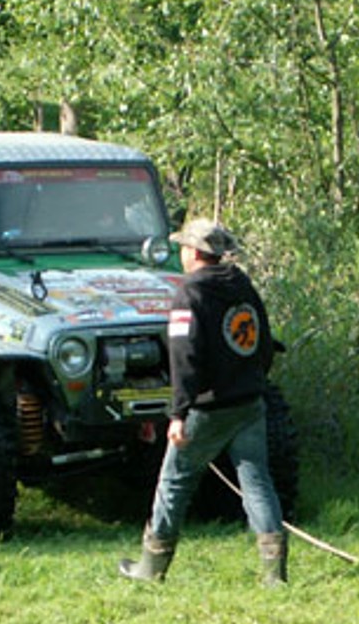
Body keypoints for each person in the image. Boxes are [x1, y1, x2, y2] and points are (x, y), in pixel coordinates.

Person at [119, 217, 288, 585]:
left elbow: (185, 358)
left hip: (208, 409)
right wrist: (255, 379)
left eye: (183, 247)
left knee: (173, 483)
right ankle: (274, 573)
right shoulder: (242, 284)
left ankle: (151, 567)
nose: (180, 253)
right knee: (257, 483)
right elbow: (264, 340)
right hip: (249, 402)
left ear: (195, 252)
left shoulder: (189, 293)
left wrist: (178, 414)